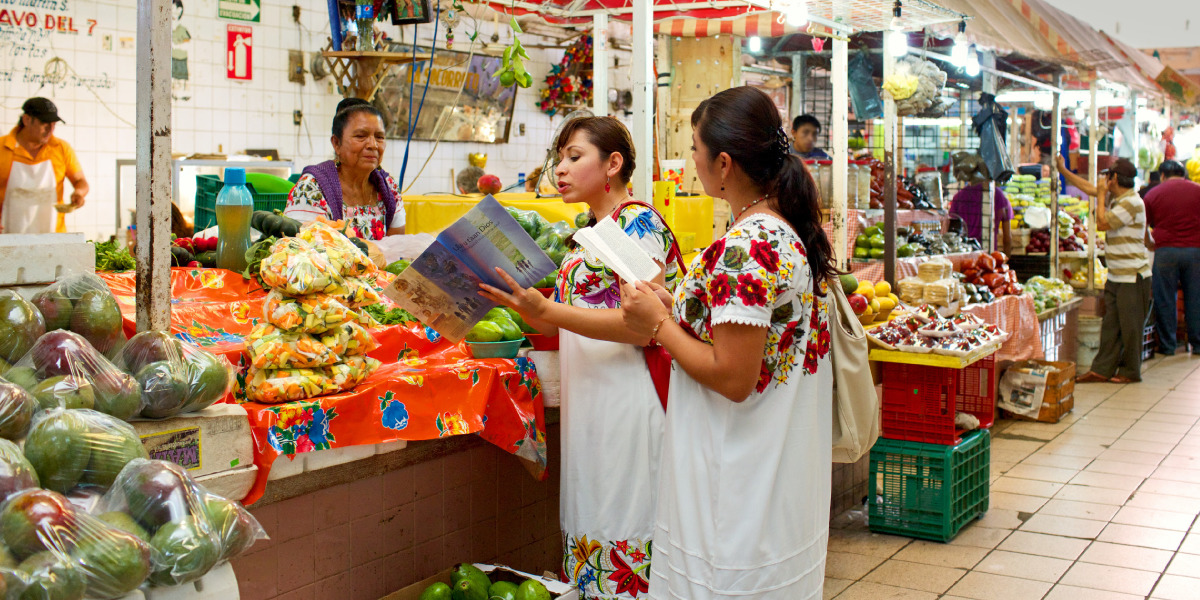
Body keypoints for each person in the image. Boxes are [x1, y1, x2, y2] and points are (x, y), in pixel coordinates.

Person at [621, 86, 836, 599]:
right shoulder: (780, 231)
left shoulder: (748, 246)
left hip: (735, 479)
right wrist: (678, 309)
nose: (690, 158)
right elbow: (755, 339)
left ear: (722, 163)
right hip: (773, 475)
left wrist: (657, 324)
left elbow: (733, 377)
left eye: (694, 147)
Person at [478, 116, 679, 599]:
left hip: (629, 399)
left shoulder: (638, 222)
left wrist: (548, 309)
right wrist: (521, 305)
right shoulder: (591, 231)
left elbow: (645, 324)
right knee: (591, 513)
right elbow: (563, 321)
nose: (561, 170)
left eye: (574, 157)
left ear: (613, 164)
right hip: (591, 402)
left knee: (626, 515)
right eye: (559, 159)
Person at [1057, 156, 1152, 383]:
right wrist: (1063, 170)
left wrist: (1101, 194)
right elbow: (1090, 188)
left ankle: (1131, 371)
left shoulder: (1132, 202)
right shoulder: (1120, 198)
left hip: (1133, 276)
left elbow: (1102, 223)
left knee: (1130, 328)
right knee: (1111, 325)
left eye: (1108, 177)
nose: (1104, 181)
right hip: (1117, 274)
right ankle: (1102, 369)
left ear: (1115, 178)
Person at [285, 98, 404, 239]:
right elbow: (303, 253)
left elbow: (397, 250)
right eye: (361, 136)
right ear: (336, 143)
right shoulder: (311, 189)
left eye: (379, 137)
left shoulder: (388, 187)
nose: (373, 145)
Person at [0, 98, 89, 233]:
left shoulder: (61, 148)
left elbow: (80, 181)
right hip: (8, 235)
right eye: (44, 124)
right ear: (26, 120)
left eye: (53, 124)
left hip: (53, 236)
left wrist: (79, 192)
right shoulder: (2, 147)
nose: (50, 130)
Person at [1144, 159, 1200, 355]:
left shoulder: (1153, 193)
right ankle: (1198, 344)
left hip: (1165, 251)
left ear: (1162, 175)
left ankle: (1167, 346)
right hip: (1195, 252)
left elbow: (1144, 224)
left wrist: (1149, 242)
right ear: (1184, 174)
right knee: (1195, 298)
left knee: (1165, 299)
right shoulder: (1197, 190)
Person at [948, 182, 1013, 254]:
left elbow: (951, 233)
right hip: (989, 254)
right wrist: (1005, 260)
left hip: (965, 253)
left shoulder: (958, 197)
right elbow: (1007, 238)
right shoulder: (997, 194)